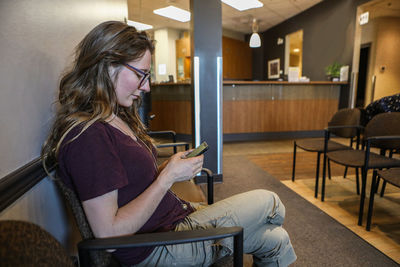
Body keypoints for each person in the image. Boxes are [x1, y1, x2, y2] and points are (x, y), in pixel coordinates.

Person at [42, 21, 296, 267]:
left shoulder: (113, 117)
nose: (148, 87)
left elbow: (130, 184)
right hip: (160, 246)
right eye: (141, 74)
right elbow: (109, 236)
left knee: (277, 239)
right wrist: (168, 178)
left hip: (173, 219)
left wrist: (167, 170)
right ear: (108, 65)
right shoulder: (87, 136)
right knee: (270, 202)